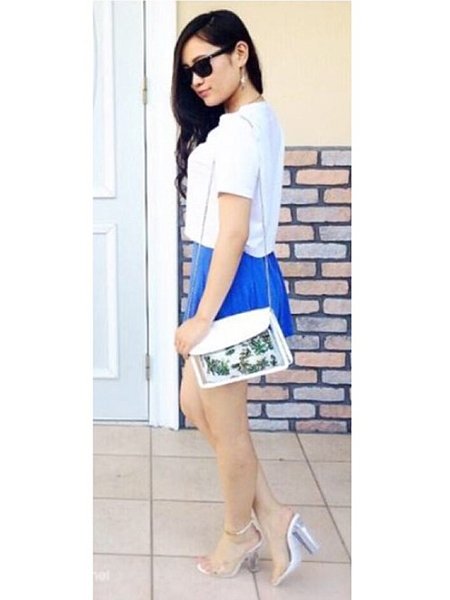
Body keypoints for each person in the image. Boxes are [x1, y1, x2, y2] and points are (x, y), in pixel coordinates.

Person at [171, 9, 318, 586]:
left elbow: (233, 230)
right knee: (194, 403)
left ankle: (239, 533)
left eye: (204, 65)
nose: (196, 80)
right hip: (228, 273)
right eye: (188, 71)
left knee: (228, 426)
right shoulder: (259, 118)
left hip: (230, 282)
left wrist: (202, 317)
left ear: (240, 54)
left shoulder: (237, 131)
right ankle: (273, 515)